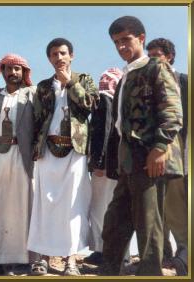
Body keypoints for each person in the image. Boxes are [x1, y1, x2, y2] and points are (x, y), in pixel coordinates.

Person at [101, 16, 183, 276]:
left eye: (126, 40)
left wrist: (159, 148)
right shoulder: (126, 75)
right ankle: (109, 269)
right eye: (116, 42)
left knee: (149, 223)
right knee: (115, 219)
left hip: (149, 155)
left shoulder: (156, 67)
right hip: (128, 158)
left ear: (141, 38)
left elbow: (172, 111)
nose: (121, 46)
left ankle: (150, 273)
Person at [28, 38, 98, 276]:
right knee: (45, 206)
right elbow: (37, 120)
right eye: (54, 54)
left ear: (72, 56)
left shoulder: (85, 80)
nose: (59, 58)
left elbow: (91, 106)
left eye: (63, 53)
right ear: (49, 58)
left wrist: (71, 84)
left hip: (75, 151)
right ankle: (44, 260)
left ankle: (71, 261)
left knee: (74, 206)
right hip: (48, 150)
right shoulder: (44, 86)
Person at [0, 54, 37, 275]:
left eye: (17, 69)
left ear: (24, 72)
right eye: (8, 69)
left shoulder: (32, 94)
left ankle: (22, 259)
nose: (13, 73)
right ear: (2, 71)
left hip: (21, 154)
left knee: (20, 206)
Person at [146, 38, 188, 276]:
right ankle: (163, 259)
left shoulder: (183, 81)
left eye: (157, 54)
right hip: (153, 156)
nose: (152, 59)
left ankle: (184, 260)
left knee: (176, 209)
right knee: (156, 210)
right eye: (149, 55)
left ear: (169, 56)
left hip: (178, 155)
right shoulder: (147, 83)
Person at [84, 67, 123, 265]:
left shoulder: (104, 101)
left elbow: (103, 133)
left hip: (104, 166)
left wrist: (98, 162)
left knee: (100, 208)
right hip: (115, 164)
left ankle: (103, 251)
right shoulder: (119, 103)